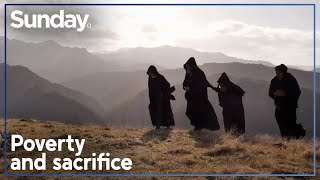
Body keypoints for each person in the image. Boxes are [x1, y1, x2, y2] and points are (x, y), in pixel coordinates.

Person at [269, 64, 306, 139]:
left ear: (284, 72)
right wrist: (275, 93)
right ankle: (285, 138)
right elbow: (270, 92)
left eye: (279, 72)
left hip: (290, 106)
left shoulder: (291, 79)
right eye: (276, 72)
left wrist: (285, 94)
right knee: (280, 121)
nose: (277, 74)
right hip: (279, 106)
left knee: (290, 123)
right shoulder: (274, 80)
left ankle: (296, 136)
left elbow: (297, 91)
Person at [183, 57, 220, 131]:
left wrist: (191, 88)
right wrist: (185, 87)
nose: (187, 68)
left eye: (188, 66)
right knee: (191, 112)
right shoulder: (188, 73)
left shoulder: (199, 73)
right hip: (191, 97)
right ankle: (197, 126)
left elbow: (202, 83)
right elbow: (185, 82)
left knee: (199, 112)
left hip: (199, 97)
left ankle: (198, 127)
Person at [147, 65, 175, 130]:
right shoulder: (150, 79)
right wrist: (151, 98)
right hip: (154, 98)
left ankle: (167, 125)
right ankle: (157, 125)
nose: (150, 74)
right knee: (154, 111)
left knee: (164, 112)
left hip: (162, 98)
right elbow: (150, 89)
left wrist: (163, 92)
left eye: (151, 73)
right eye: (149, 73)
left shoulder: (160, 77)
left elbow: (167, 84)